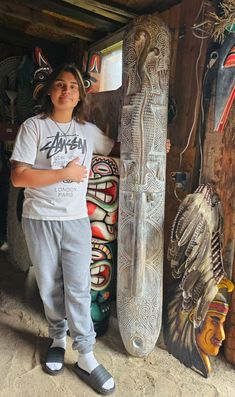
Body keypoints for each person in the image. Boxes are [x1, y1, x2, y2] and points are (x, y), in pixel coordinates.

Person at [10, 63, 116, 395]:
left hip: (75, 221)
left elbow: (116, 150)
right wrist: (64, 175)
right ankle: (57, 338)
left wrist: (159, 148)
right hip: (39, 218)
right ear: (50, 92)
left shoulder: (88, 131)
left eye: (72, 86)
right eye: (60, 84)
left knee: (80, 286)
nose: (66, 90)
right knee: (49, 285)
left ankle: (85, 354)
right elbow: (18, 176)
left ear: (80, 95)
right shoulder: (34, 127)